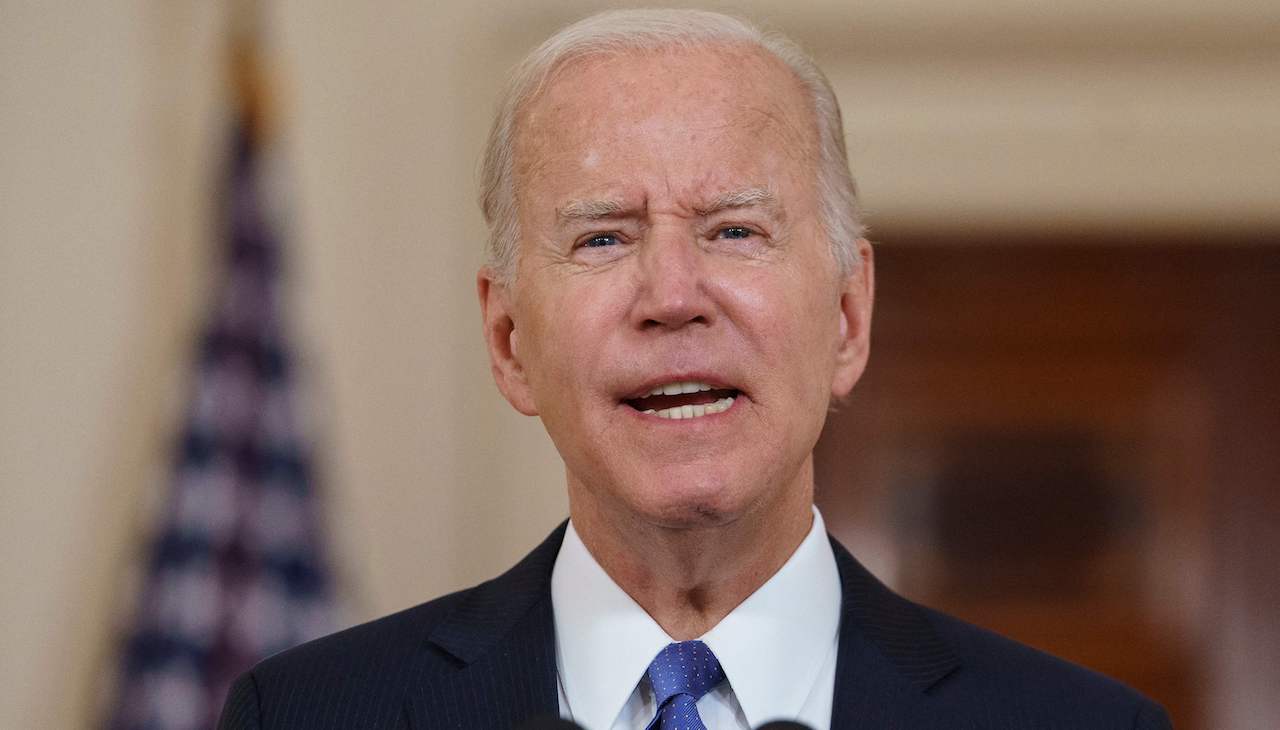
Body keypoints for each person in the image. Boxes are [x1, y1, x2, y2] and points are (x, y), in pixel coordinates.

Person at [218, 9, 1172, 729]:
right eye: (602, 237)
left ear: (847, 317)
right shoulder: (304, 715)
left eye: (735, 231)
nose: (672, 293)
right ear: (510, 343)